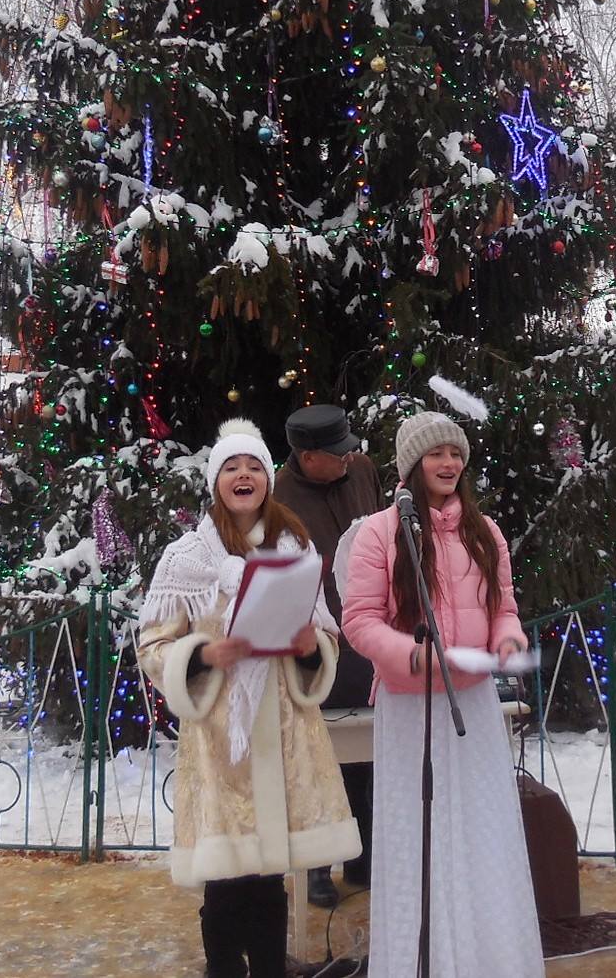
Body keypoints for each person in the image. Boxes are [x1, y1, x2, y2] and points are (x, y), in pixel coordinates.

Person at [136, 419, 362, 978]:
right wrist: (204, 656)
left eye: (255, 466)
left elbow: (324, 631)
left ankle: (268, 970)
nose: (244, 475)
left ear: (268, 479)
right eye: (232, 466)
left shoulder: (295, 546)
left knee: (268, 877)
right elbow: (152, 645)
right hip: (220, 742)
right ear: (216, 482)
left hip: (283, 736)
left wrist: (312, 646)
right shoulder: (184, 559)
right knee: (225, 885)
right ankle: (223, 971)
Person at [340, 411, 543, 978]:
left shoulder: (485, 531)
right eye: (436, 454)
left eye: (455, 452)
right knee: (419, 836)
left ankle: (486, 957)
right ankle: (422, 960)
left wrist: (507, 635)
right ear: (412, 464)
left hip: (471, 702)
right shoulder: (380, 532)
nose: (448, 463)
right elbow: (359, 620)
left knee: (480, 832)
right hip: (409, 707)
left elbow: (504, 606)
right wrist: (409, 653)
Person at [273, 403, 382, 908]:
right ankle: (316, 867)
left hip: (370, 631)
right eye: (336, 453)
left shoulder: (361, 469)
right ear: (307, 456)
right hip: (315, 639)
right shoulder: (278, 497)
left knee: (367, 753)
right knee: (318, 756)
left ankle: (362, 855)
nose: (350, 456)